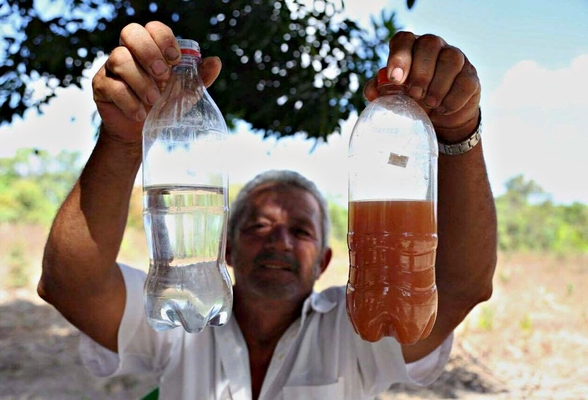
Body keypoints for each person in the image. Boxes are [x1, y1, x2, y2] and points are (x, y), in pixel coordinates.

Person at [38, 21, 497, 399]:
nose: (279, 240)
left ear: (326, 262)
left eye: (300, 231)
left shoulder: (357, 331)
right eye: (258, 226)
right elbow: (71, 286)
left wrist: (457, 132)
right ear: (227, 250)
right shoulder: (185, 315)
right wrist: (122, 140)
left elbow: (461, 287)